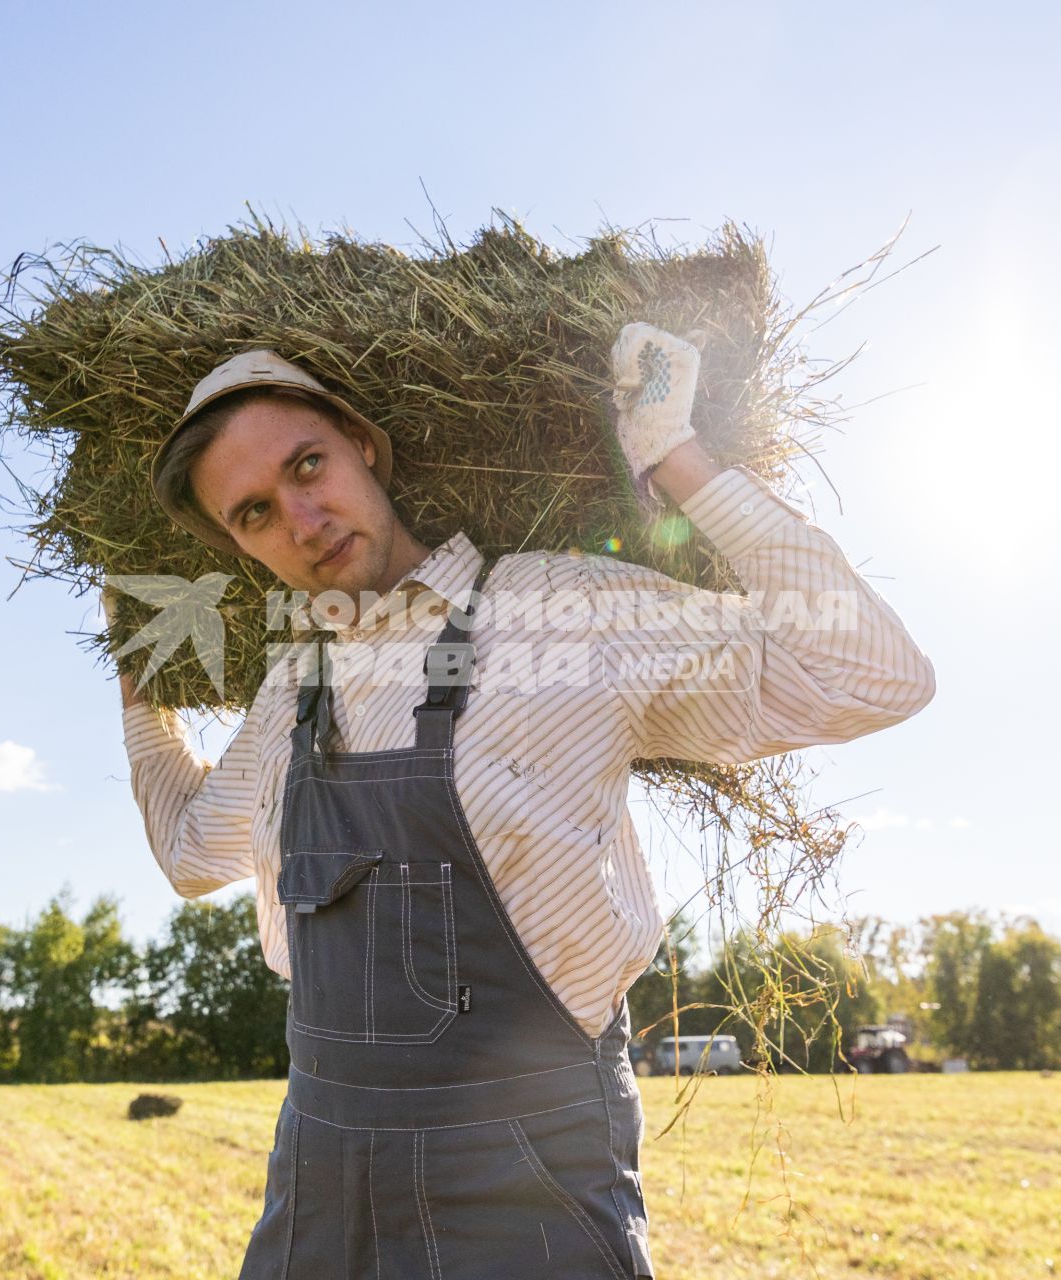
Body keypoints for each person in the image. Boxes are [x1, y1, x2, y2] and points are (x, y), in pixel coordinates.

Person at [106, 326, 936, 1278]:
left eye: (309, 465)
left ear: (363, 444)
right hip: (319, 1187)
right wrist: (137, 679)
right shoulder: (294, 686)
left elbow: (874, 676)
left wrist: (676, 456)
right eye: (254, 513)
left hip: (526, 1186)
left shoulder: (558, 611)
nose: (301, 519)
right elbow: (186, 850)